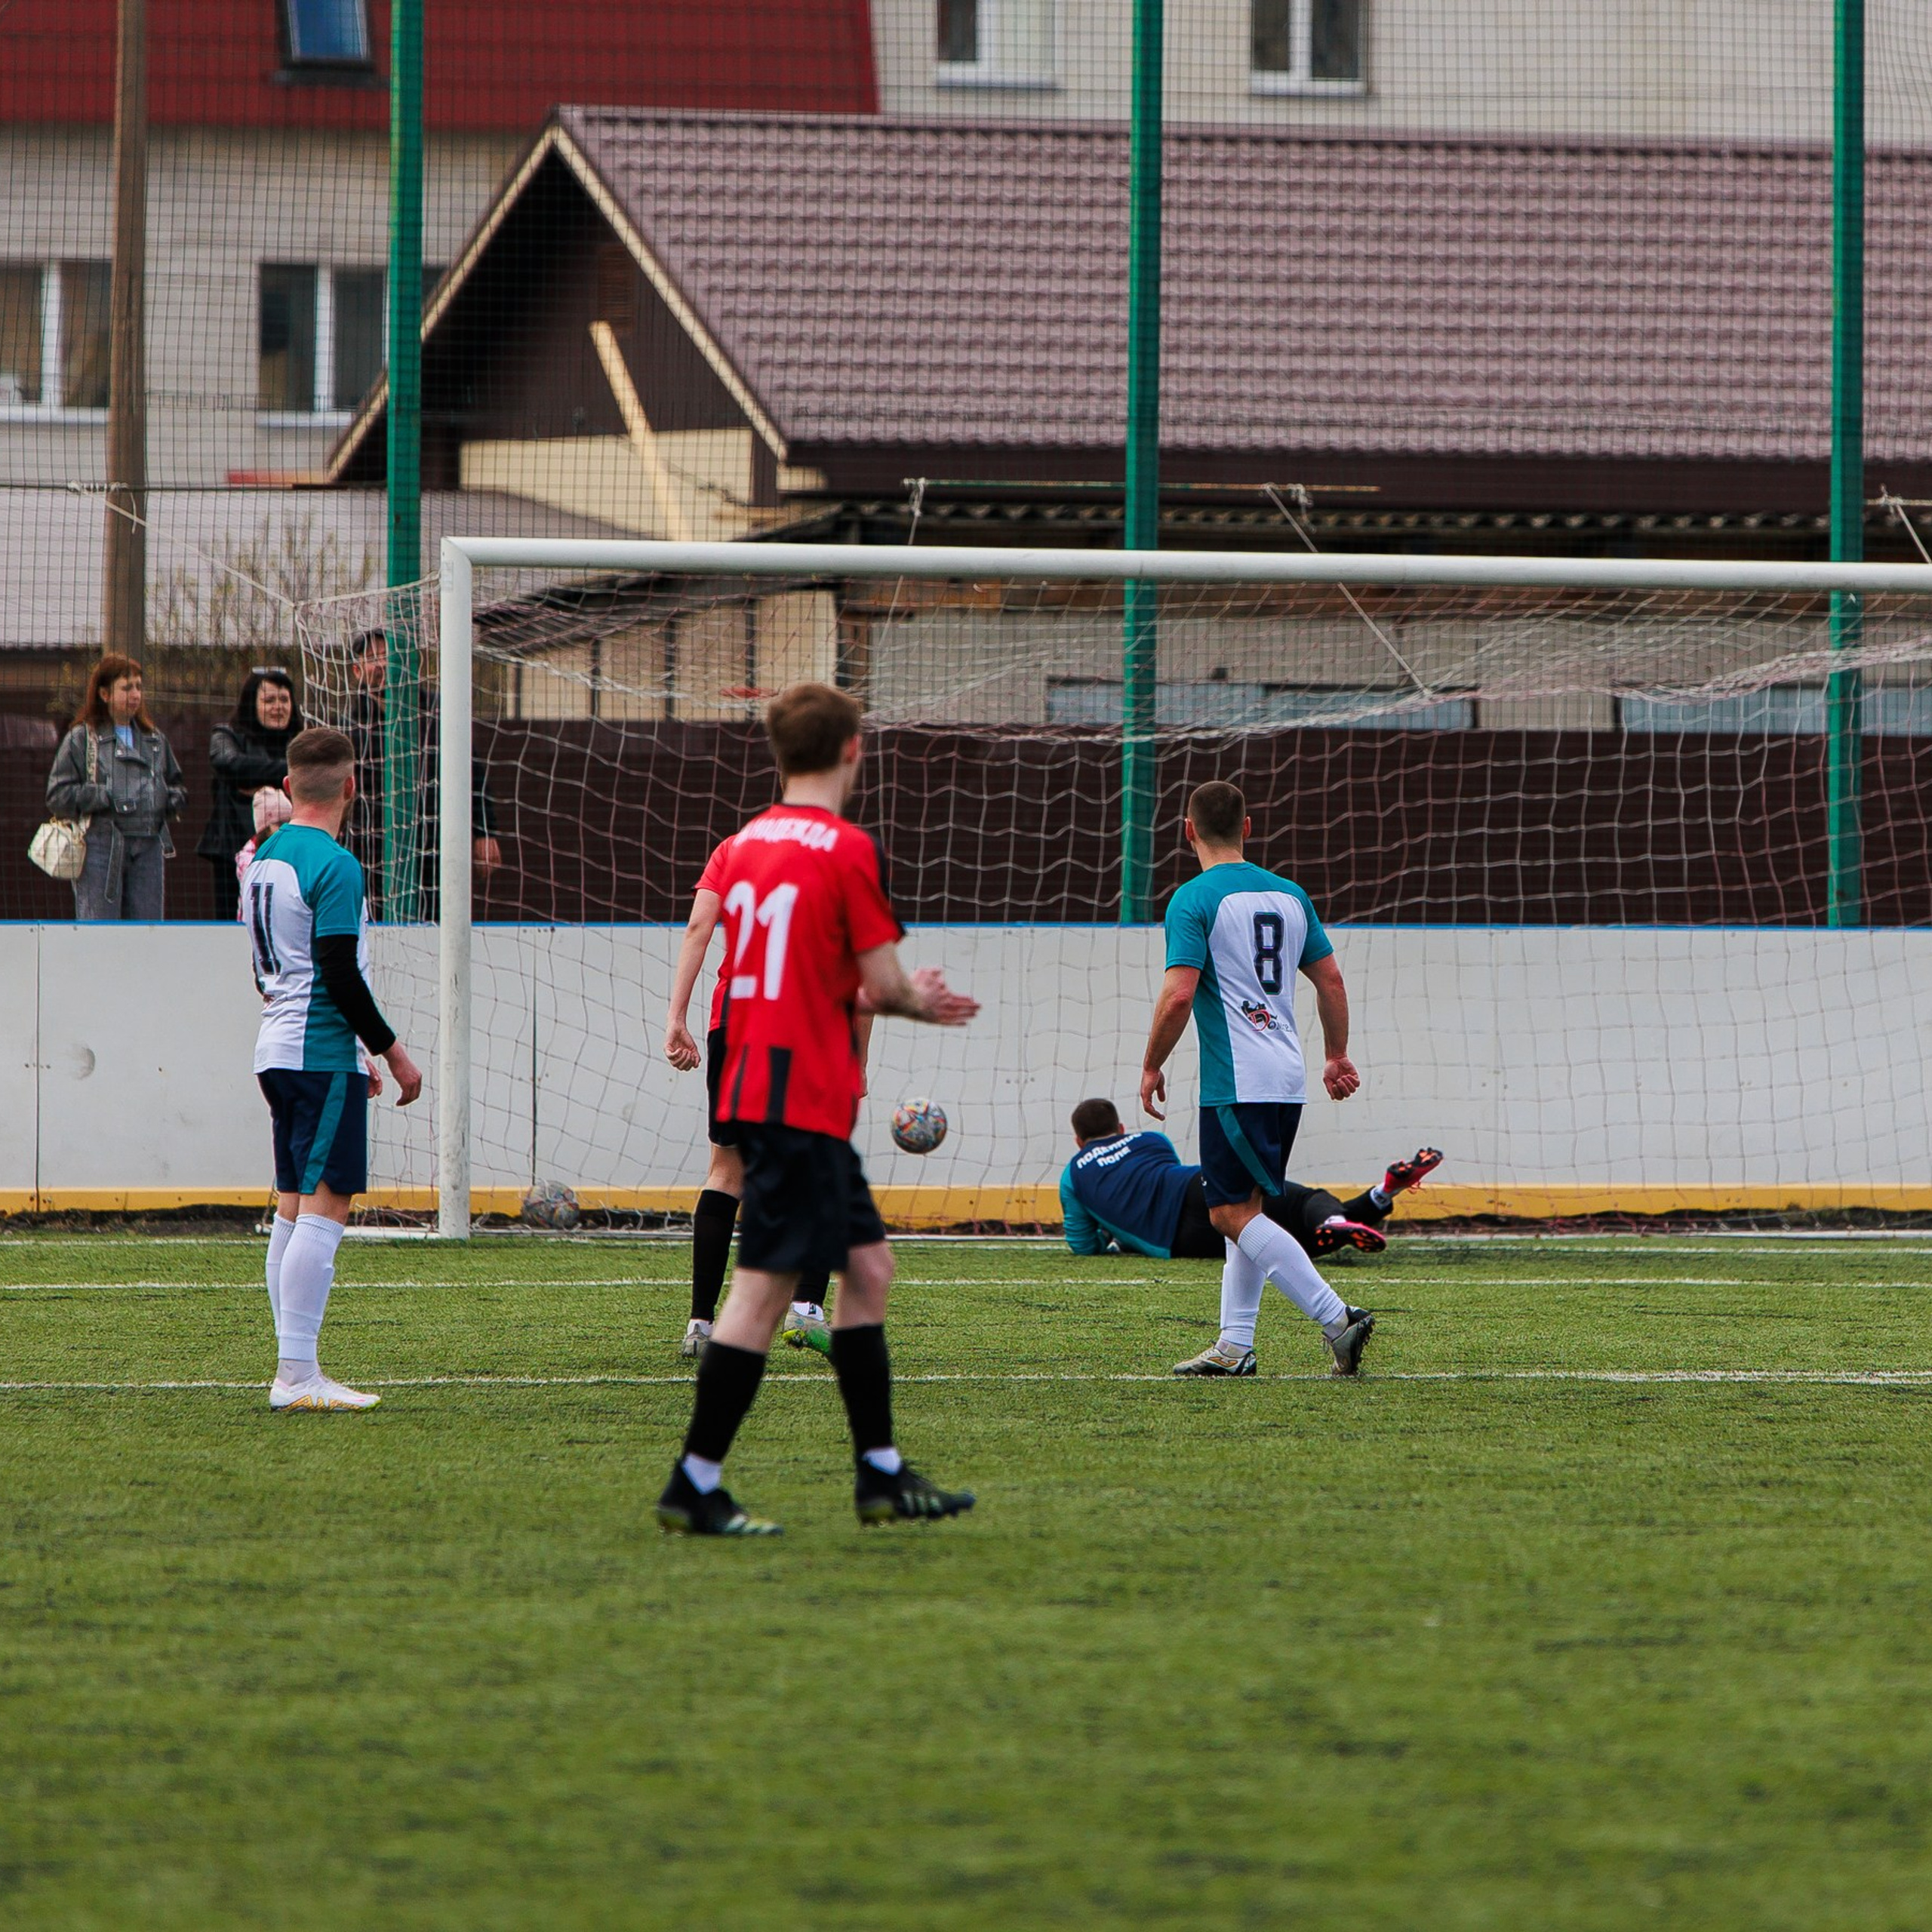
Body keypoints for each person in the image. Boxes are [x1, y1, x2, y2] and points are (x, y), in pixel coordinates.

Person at [656, 682, 980, 1537]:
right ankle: (697, 1479)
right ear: (852, 750)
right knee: (763, 1292)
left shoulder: (747, 842)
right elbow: (879, 987)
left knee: (866, 1271)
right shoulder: (843, 848)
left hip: (758, 1080)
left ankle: (877, 1472)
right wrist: (927, 1000)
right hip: (799, 1096)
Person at [1140, 780, 1377, 1379]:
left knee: (1226, 1213)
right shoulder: (1292, 895)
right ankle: (1234, 1344)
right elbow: (1332, 982)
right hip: (1287, 1076)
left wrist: (1151, 1065)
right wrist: (1337, 1054)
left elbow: (1178, 996)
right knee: (1243, 1209)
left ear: (1187, 830)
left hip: (1237, 1080)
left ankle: (1337, 1319)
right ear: (1249, 828)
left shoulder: (1193, 899)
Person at [242, 727, 424, 1412]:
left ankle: (295, 1369)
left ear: (289, 789)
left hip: (279, 1051)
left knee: (292, 1209)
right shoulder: (337, 864)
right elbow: (340, 975)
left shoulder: (265, 855)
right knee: (327, 1206)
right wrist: (392, 1053)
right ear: (352, 786)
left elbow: (269, 969)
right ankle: (296, 1375)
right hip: (318, 1053)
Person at [663, 831, 864, 1359]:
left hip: (734, 1021)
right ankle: (806, 1310)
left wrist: (676, 1017)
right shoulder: (841, 854)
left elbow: (698, 928)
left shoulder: (734, 849)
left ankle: (702, 1326)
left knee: (726, 1173)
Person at [1060, 1097, 1443, 1263]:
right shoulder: (1148, 1139)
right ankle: (1367, 1201)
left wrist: (1117, 1240)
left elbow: (1082, 1244)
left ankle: (1363, 1207)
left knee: (1282, 1246)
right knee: (1298, 1203)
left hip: (1180, 1241)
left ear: (1079, 1142)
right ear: (1121, 1128)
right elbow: (1161, 1179)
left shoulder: (1073, 1175)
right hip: (1194, 1186)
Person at [344, 628, 501, 918]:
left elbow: (473, 772)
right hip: (373, 851)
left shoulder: (438, 711)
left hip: (435, 846)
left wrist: (485, 832)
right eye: (370, 658)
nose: (380, 664)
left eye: (386, 656)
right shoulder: (350, 726)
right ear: (357, 671)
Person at [45, 654, 186, 921]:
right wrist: (105, 795)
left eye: (139, 687)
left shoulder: (154, 739)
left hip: (149, 847)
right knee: (100, 933)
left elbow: (176, 785)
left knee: (147, 933)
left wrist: (169, 800)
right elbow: (57, 795)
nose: (135, 694)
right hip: (100, 846)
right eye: (126, 687)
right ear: (104, 694)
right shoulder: (82, 739)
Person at [198, 666, 302, 921]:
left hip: (289, 851)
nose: (278, 707)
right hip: (233, 849)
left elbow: (312, 773)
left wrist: (257, 780)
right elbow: (229, 765)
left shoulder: (302, 741)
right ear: (251, 704)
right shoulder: (226, 735)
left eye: (284, 699)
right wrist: (289, 773)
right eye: (269, 700)